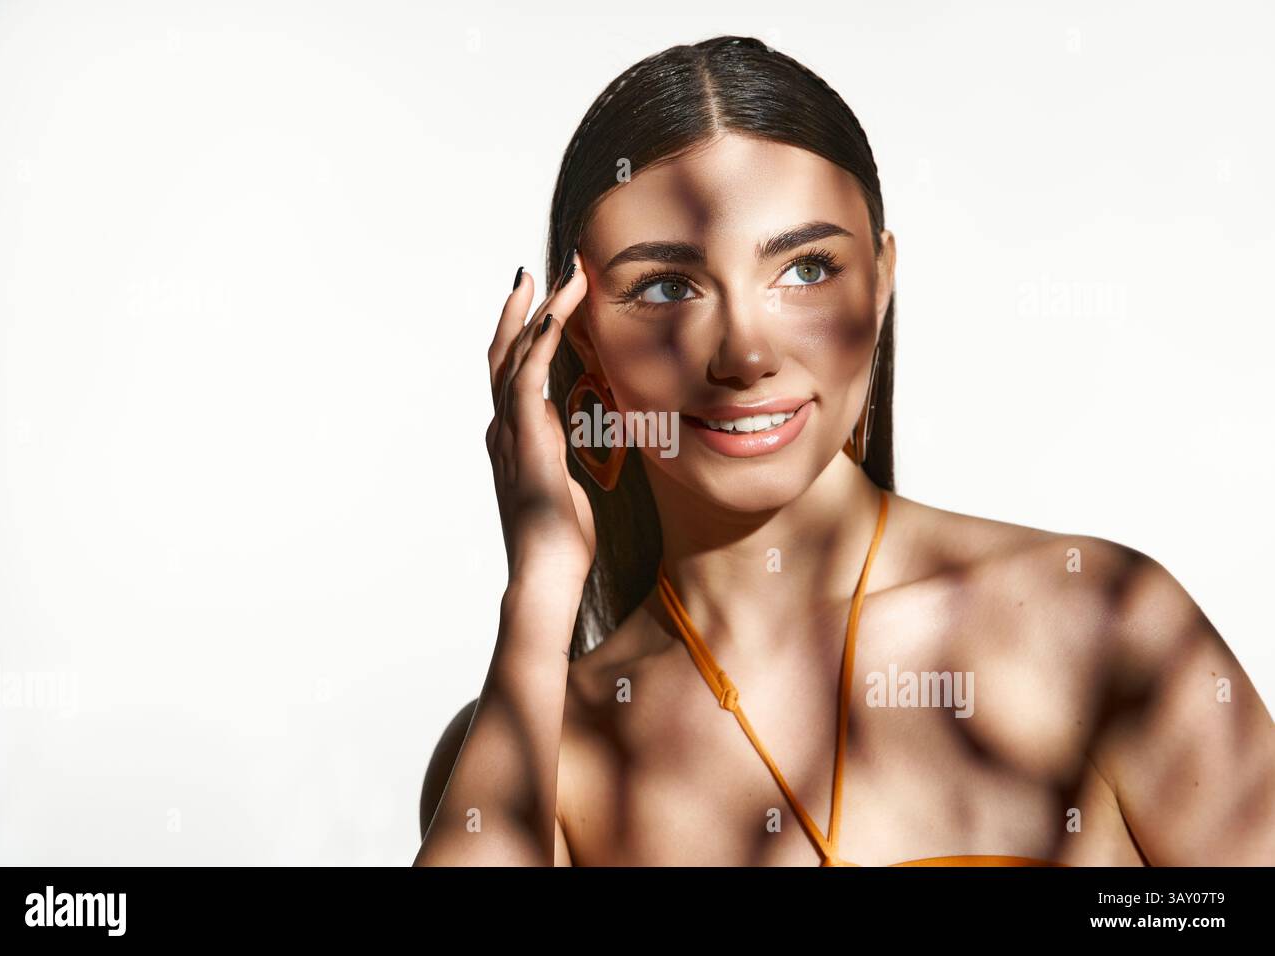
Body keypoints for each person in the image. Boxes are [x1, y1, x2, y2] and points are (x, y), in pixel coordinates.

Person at [414, 36, 1275, 866]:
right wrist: (539, 593)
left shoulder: (1102, 623)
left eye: (807, 269)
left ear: (881, 280)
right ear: (580, 344)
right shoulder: (537, 744)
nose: (745, 354)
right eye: (667, 287)